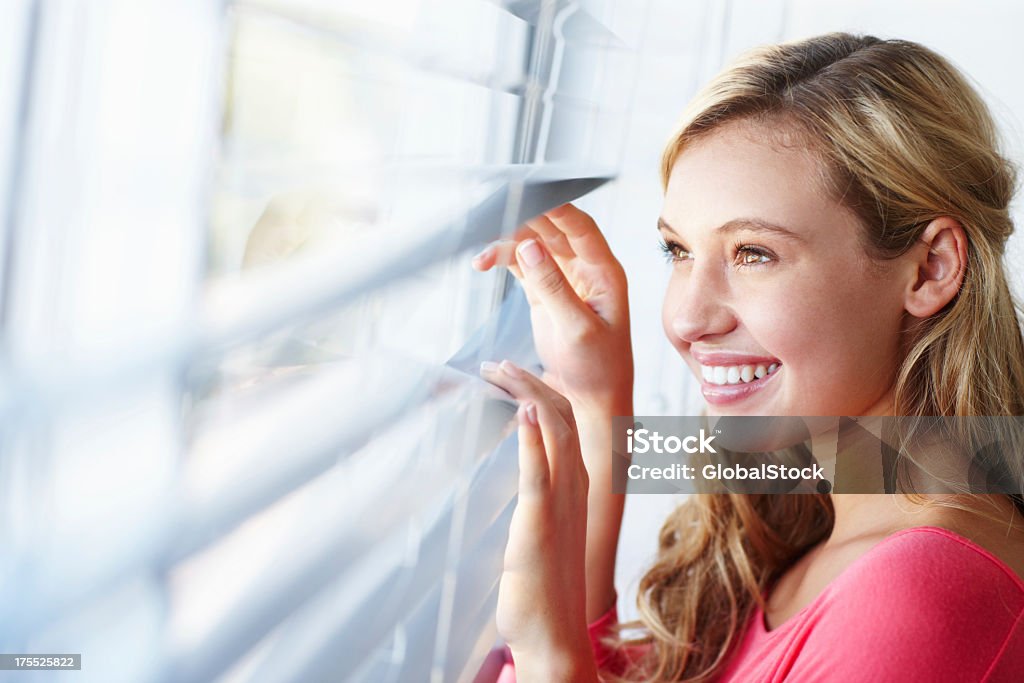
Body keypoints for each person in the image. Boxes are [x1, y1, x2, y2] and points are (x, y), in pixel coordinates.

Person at [473, 32, 1024, 681]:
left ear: (930, 268)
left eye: (753, 253)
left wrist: (546, 653)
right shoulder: (822, 508)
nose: (685, 320)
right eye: (677, 250)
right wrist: (598, 400)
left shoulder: (919, 600)